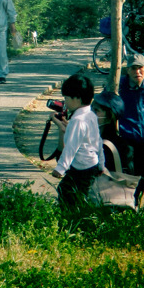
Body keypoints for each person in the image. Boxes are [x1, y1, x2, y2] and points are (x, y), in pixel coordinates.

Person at [50, 73, 103, 207]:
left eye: (66, 98)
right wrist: (101, 163)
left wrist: (60, 168)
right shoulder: (90, 115)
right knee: (80, 197)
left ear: (77, 99)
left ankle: (70, 222)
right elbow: (97, 141)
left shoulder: (77, 121)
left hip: (81, 169)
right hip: (91, 164)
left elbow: (71, 148)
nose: (65, 102)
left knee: (67, 193)